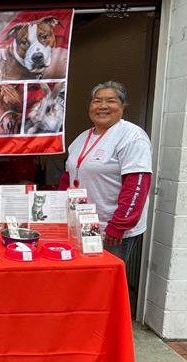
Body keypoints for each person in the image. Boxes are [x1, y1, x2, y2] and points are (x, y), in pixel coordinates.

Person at [60, 81, 152, 267]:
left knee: (107, 281)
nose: (102, 106)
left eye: (111, 101)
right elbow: (68, 177)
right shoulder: (81, 138)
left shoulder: (132, 136)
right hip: (81, 226)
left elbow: (137, 185)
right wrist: (56, 214)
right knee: (86, 279)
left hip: (111, 230)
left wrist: (118, 227)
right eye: (96, 101)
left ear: (122, 106)